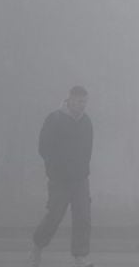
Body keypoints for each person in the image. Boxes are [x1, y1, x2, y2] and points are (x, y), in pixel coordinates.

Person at [31, 86, 94, 267]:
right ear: (70, 99)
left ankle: (80, 256)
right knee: (54, 216)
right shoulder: (55, 119)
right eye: (78, 101)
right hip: (59, 179)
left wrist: (83, 169)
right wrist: (53, 168)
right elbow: (44, 147)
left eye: (84, 101)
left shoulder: (86, 122)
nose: (81, 105)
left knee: (83, 216)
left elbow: (88, 149)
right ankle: (37, 246)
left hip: (80, 179)